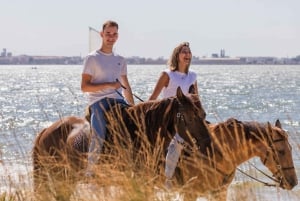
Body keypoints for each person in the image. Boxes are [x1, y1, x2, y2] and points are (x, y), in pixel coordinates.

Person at [81, 20, 134, 176]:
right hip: (98, 102)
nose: (111, 37)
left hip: (119, 102)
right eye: (108, 34)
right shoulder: (92, 58)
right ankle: (90, 173)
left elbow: (126, 85)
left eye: (114, 34)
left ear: (117, 36)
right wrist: (109, 85)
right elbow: (84, 87)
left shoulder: (120, 59)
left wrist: (133, 106)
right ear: (102, 35)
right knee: (99, 135)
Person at [148, 42, 198, 186]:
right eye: (184, 52)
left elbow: (196, 99)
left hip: (188, 118)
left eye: (188, 52)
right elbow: (153, 98)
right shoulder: (167, 74)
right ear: (177, 55)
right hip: (169, 117)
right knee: (177, 141)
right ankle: (168, 179)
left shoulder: (193, 76)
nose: (187, 55)